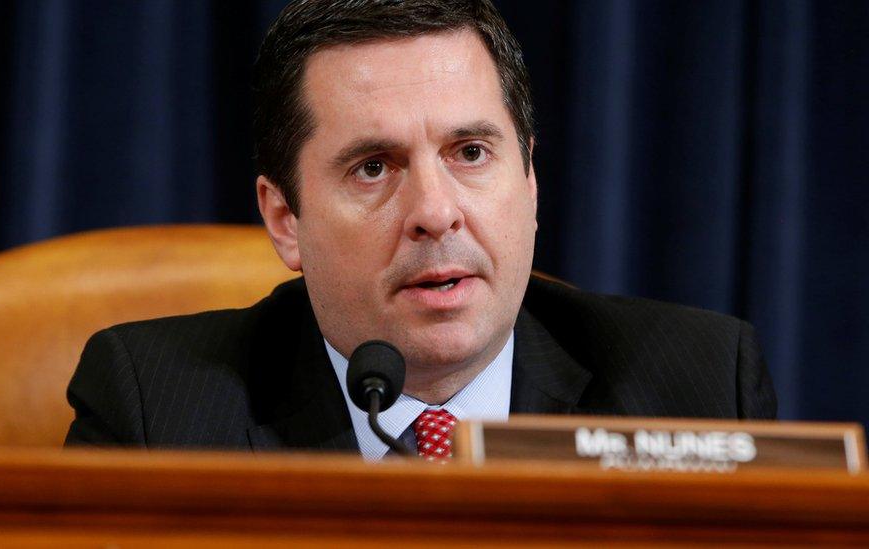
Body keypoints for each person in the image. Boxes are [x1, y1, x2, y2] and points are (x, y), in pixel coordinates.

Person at [65, 0, 776, 459]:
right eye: (374, 167)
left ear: (529, 180)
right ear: (285, 218)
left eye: (470, 153)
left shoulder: (698, 385)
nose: (435, 211)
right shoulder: (154, 412)